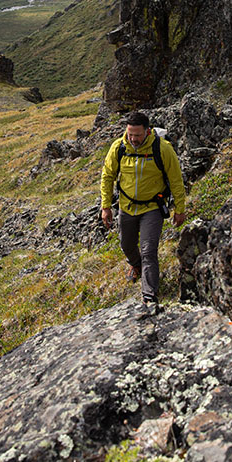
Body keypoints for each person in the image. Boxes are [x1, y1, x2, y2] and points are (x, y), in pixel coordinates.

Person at [100, 111, 186, 317]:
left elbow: (176, 179)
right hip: (127, 206)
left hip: (152, 208)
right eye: (130, 134)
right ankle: (135, 265)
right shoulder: (119, 148)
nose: (133, 139)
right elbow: (107, 175)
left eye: (137, 135)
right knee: (126, 245)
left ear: (147, 131)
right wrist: (105, 206)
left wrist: (180, 209)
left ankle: (149, 296)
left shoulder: (162, 149)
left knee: (149, 250)